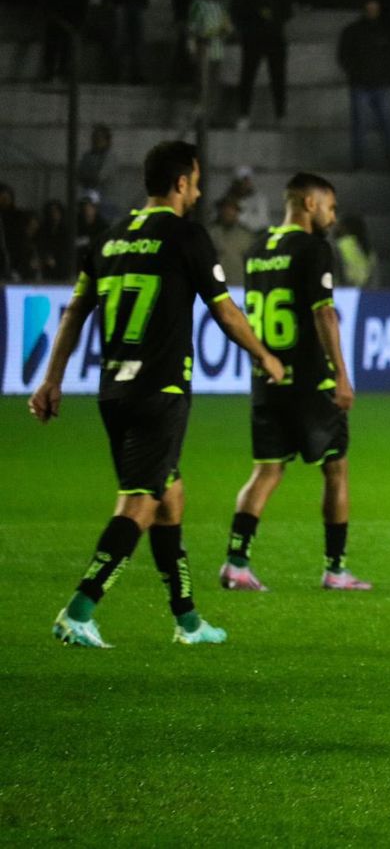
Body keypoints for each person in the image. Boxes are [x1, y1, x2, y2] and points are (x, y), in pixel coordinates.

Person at [29, 140, 285, 648]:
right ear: (180, 183)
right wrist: (263, 353)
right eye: (195, 179)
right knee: (140, 504)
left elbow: (75, 312)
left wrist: (51, 379)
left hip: (113, 390)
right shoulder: (187, 236)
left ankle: (188, 621)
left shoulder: (107, 238)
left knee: (171, 497)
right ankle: (79, 609)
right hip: (160, 390)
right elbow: (225, 309)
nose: (199, 189)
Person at [219, 173, 368, 593]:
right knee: (336, 469)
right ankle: (335, 570)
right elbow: (324, 313)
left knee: (266, 471)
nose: (332, 216)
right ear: (308, 203)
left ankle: (236, 562)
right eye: (330, 207)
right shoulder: (312, 248)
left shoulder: (257, 248)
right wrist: (341, 373)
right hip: (309, 379)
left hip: (268, 378)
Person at [338, 0, 390, 170]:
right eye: (369, 4)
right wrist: (355, 73)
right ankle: (359, 162)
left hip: (382, 84)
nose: (372, 7)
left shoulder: (387, 31)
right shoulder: (353, 31)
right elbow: (344, 56)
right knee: (360, 124)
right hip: (361, 84)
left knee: (388, 123)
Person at [231, 0, 290, 130]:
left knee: (278, 77)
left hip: (274, 36)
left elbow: (286, 11)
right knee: (248, 77)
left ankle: (280, 115)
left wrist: (274, 19)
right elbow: (236, 12)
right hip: (253, 37)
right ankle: (244, 114)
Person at [207, 196, 255, 285]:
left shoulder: (246, 235)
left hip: (239, 284)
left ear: (237, 213)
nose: (229, 212)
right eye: (226, 209)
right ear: (220, 211)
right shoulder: (211, 233)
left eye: (233, 210)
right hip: (216, 286)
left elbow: (253, 262)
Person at [77, 125, 118, 214]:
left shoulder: (110, 157)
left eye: (99, 138)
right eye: (94, 138)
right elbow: (79, 174)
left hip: (105, 200)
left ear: (107, 140)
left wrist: (88, 177)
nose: (96, 141)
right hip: (88, 198)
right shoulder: (87, 156)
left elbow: (99, 177)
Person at [225, 166, 270, 232]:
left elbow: (263, 223)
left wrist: (238, 217)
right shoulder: (228, 198)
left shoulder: (260, 199)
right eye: (242, 181)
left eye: (247, 180)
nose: (245, 184)